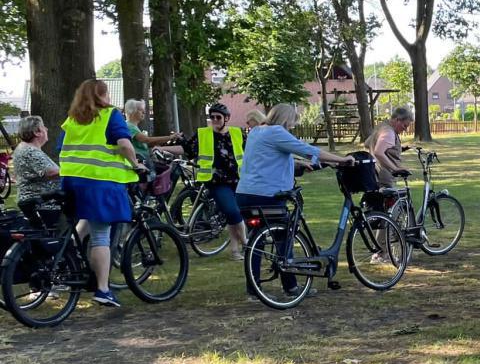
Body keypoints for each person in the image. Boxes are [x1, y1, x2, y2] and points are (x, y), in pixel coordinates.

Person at [237, 104, 353, 296]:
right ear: (285, 119)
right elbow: (308, 150)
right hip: (268, 195)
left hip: (245, 194)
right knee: (285, 237)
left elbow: (267, 157)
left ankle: (253, 289)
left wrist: (297, 163)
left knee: (256, 242)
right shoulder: (276, 131)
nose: (292, 126)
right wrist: (341, 159)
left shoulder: (256, 132)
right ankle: (291, 287)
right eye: (292, 122)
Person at [57, 79, 146, 308]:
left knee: (84, 223)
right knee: (100, 237)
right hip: (98, 182)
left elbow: (61, 148)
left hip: (71, 181)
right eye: (106, 94)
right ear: (102, 96)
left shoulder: (72, 119)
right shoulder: (109, 115)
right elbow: (125, 145)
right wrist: (136, 164)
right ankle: (103, 289)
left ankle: (66, 262)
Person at [161, 103, 248, 260]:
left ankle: (235, 251)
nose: (214, 120)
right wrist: (162, 148)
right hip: (216, 182)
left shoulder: (237, 133)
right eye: (212, 117)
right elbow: (186, 150)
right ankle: (247, 243)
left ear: (227, 118)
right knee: (232, 212)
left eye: (218, 117)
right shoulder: (203, 134)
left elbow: (250, 152)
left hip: (238, 180)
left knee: (232, 216)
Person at [12, 115, 60, 222]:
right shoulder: (30, 151)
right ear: (36, 132)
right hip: (42, 203)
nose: (46, 129)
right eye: (43, 127)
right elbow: (50, 173)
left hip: (37, 201)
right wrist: (74, 170)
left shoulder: (26, 148)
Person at [122, 99, 179, 173]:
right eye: (140, 110)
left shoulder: (134, 127)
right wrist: (170, 137)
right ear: (132, 111)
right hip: (140, 163)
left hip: (144, 161)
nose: (144, 112)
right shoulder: (129, 126)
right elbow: (146, 140)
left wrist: (162, 143)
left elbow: (146, 143)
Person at [368, 106, 414, 187]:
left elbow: (367, 143)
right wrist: (395, 168)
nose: (405, 129)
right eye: (405, 125)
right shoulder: (389, 132)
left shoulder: (381, 127)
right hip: (385, 178)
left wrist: (400, 148)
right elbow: (378, 152)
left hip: (375, 175)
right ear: (397, 120)